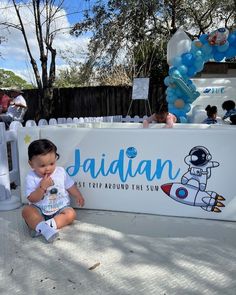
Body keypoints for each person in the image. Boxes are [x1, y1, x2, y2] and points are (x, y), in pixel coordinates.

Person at [22, 139, 85, 243]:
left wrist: (78, 196)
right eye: (42, 166)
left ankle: (43, 227)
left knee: (71, 214)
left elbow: (70, 186)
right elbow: (32, 198)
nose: (48, 169)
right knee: (26, 211)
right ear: (31, 164)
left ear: (56, 158)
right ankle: (43, 227)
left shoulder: (61, 172)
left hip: (60, 209)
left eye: (51, 163)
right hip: (39, 209)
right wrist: (42, 187)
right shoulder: (31, 177)